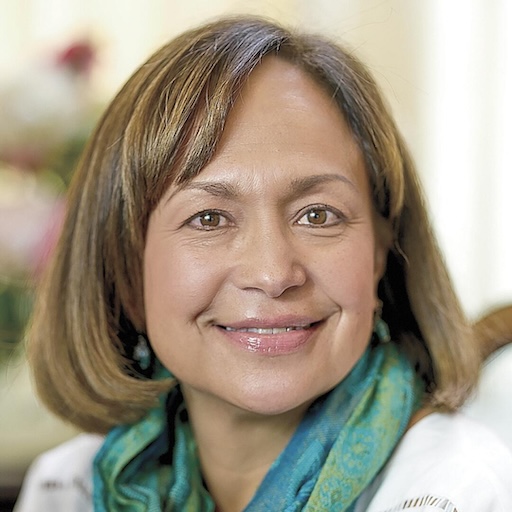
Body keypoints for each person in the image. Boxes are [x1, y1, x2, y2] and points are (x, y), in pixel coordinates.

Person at [14, 16, 512, 512]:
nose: (273, 274)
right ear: (125, 267)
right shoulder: (68, 489)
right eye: (209, 218)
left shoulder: (462, 492)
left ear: (381, 250)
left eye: (318, 215)